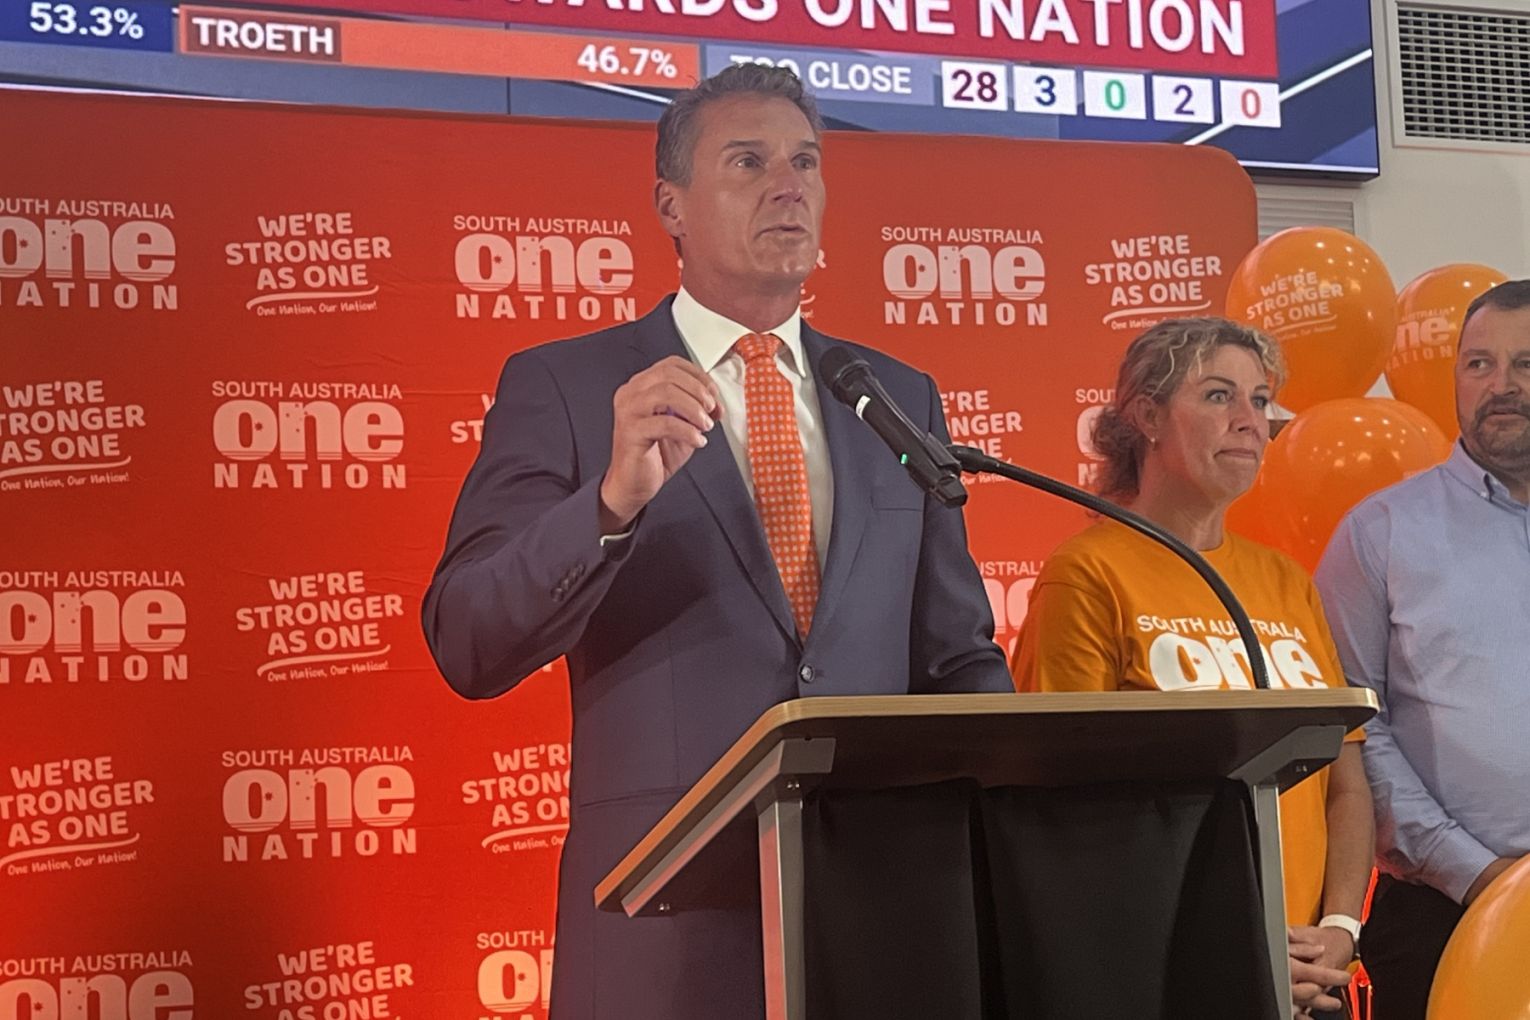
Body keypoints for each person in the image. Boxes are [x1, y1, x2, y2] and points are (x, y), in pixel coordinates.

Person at [422, 65, 1010, 1020]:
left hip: (881, 919)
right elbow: (467, 639)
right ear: (672, 206)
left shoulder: (894, 396)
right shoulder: (569, 387)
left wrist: (1007, 825)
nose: (789, 187)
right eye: (748, 162)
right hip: (663, 930)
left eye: (805, 163)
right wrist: (610, 502)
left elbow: (957, 658)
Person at [1010, 317, 1374, 1019]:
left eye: (1260, 401)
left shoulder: (1286, 582)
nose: (1249, 421)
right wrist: (1240, 948)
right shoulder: (1088, 574)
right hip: (1170, 967)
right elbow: (1062, 809)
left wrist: (1338, 931)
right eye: (1217, 396)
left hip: (1309, 976)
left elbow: (1346, 782)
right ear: (1146, 417)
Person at [1315, 279, 1530, 1020]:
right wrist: (1479, 875)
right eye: (1479, 364)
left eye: (1526, 363)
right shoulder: (1379, 533)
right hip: (1444, 911)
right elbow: (1354, 727)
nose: (1501, 385)